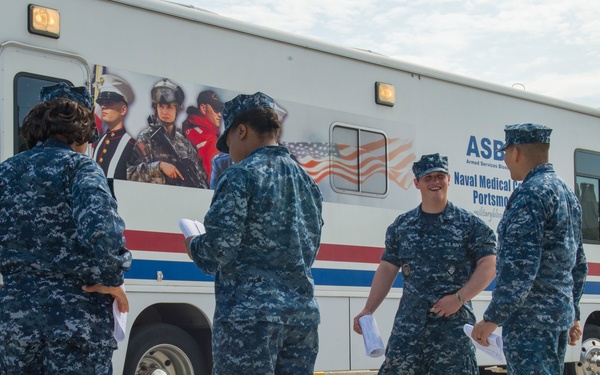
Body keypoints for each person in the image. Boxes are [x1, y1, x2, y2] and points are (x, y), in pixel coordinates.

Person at [184, 92, 324, 375]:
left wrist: (192, 244)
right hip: (301, 318)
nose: (230, 152)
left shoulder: (240, 175)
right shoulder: (307, 182)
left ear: (242, 130)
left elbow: (217, 251)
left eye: (229, 142)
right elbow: (310, 249)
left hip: (250, 319)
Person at [0, 82, 132, 374]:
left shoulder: (6, 171)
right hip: (75, 318)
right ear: (82, 131)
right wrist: (113, 278)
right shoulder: (80, 168)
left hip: (15, 321)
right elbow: (104, 233)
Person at [353, 153, 497, 375]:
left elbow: (489, 265)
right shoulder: (402, 226)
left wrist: (459, 298)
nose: (435, 182)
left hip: (452, 329)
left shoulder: (470, 225)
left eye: (440, 176)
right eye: (428, 178)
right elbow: (387, 268)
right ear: (417, 183)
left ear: (449, 179)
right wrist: (368, 309)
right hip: (409, 328)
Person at [472, 123, 588, 375]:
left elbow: (520, 268)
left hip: (530, 323)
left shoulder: (530, 195)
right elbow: (578, 264)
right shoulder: (567, 194)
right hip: (558, 318)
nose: (504, 160)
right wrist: (573, 312)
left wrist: (492, 318)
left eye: (505, 153)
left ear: (516, 152)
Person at [127, 78, 208, 188]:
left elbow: (200, 177)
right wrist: (159, 167)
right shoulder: (146, 137)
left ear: (177, 109)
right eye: (161, 106)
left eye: (169, 107)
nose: (164, 112)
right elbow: (129, 174)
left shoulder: (184, 142)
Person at [93, 74, 136, 180]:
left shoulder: (131, 146)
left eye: (109, 103)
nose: (103, 106)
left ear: (123, 110)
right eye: (102, 103)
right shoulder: (100, 141)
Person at [182, 90, 224, 185]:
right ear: (203, 108)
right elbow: (214, 179)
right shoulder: (209, 139)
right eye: (215, 109)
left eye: (220, 109)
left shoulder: (187, 128)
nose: (219, 114)